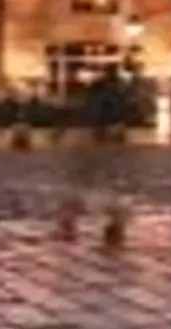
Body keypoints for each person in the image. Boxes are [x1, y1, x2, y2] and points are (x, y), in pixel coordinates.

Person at [55, 65, 137, 247]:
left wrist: (60, 134)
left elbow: (70, 114)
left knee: (77, 181)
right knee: (110, 182)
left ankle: (67, 221)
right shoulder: (116, 95)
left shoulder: (88, 94)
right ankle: (115, 223)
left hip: (80, 139)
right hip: (101, 140)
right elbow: (121, 118)